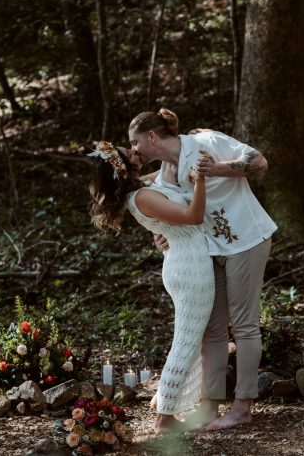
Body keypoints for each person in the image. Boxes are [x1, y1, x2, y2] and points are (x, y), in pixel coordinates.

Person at [128, 108, 278, 430]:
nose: (135, 149)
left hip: (246, 241)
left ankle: (242, 407)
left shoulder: (207, 141)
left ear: (152, 136)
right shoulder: (166, 171)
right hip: (209, 251)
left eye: (135, 142)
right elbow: (157, 203)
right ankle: (209, 406)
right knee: (212, 329)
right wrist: (164, 233)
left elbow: (260, 162)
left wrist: (218, 168)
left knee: (244, 325)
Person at [88, 141, 215, 435]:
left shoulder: (140, 188)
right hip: (190, 268)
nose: (136, 153)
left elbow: (165, 175)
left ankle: (166, 400)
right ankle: (164, 419)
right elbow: (194, 217)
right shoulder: (142, 196)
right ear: (122, 167)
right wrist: (201, 183)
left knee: (190, 340)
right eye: (129, 153)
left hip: (184, 262)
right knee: (185, 343)